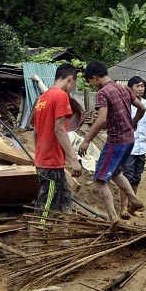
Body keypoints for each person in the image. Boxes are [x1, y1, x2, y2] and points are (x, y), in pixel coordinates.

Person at [78, 61, 146, 221]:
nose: (93, 86)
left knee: (100, 179)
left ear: (94, 78)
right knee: (115, 172)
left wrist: (86, 140)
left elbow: (101, 120)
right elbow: (142, 108)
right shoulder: (123, 89)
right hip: (130, 140)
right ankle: (134, 200)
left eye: (91, 83)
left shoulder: (103, 92)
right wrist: (133, 123)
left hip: (116, 141)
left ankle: (112, 218)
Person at [32, 63, 83, 218]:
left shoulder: (42, 98)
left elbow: (35, 132)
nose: (72, 88)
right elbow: (59, 129)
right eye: (74, 84)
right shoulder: (61, 96)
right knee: (45, 210)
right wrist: (74, 159)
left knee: (65, 201)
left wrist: (38, 154)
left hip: (46, 161)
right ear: (70, 79)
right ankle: (36, 240)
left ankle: (62, 238)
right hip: (51, 163)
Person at [121, 76, 146, 219]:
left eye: (142, 86)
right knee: (126, 178)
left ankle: (132, 206)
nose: (141, 88)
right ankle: (123, 207)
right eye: (137, 86)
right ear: (130, 88)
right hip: (128, 147)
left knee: (136, 178)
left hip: (141, 147)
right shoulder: (125, 104)